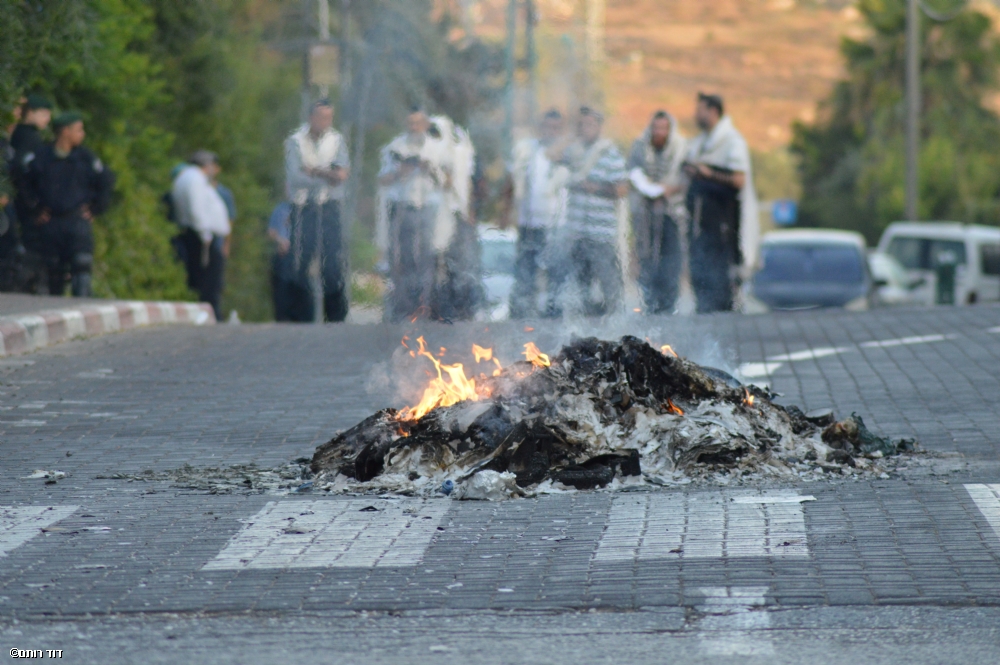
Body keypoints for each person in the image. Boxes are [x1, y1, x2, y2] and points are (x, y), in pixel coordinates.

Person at [22, 112, 115, 297]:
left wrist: (96, 209)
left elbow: (106, 180)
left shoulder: (85, 157)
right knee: (52, 272)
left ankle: (81, 308)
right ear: (65, 131)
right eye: (78, 130)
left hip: (76, 221)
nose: (82, 134)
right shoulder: (42, 156)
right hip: (51, 223)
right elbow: (24, 184)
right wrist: (35, 210)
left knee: (82, 267)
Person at [683, 93, 757, 313]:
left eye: (700, 110)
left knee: (721, 289)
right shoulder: (700, 142)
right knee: (701, 287)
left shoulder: (732, 142)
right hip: (700, 227)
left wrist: (708, 174)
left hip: (724, 229)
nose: (696, 115)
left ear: (713, 111)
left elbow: (738, 180)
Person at [376, 107, 449, 322]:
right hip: (403, 206)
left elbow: (448, 181)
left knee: (427, 258)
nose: (414, 128)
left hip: (428, 206)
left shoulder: (437, 148)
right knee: (403, 259)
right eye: (410, 123)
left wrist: (430, 169)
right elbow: (382, 179)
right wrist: (402, 170)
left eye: (418, 123)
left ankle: (425, 307)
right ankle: (404, 308)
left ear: (426, 125)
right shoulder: (395, 147)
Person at [285, 99, 350, 323]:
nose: (325, 122)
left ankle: (335, 318)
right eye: (321, 117)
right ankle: (300, 317)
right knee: (300, 261)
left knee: (332, 263)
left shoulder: (336, 140)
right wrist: (327, 174)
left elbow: (341, 176)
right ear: (311, 118)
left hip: (329, 206)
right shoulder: (295, 141)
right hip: (303, 207)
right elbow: (295, 176)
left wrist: (314, 171)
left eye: (329, 117)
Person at [559, 106, 628, 317]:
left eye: (590, 124)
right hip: (577, 234)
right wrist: (569, 137)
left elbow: (622, 189)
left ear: (599, 126)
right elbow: (550, 156)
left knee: (609, 286)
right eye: (581, 124)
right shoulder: (572, 153)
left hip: (601, 235)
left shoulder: (610, 154)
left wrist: (595, 188)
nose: (585, 128)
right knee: (579, 289)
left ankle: (615, 326)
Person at [507, 109, 571, 318]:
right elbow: (513, 180)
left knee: (556, 274)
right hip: (529, 222)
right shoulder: (527, 151)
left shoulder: (568, 152)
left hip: (557, 223)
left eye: (555, 128)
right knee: (525, 273)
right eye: (547, 127)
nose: (550, 131)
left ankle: (554, 315)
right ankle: (522, 315)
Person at [628, 111, 688, 314]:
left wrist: (668, 189)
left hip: (672, 216)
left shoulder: (681, 149)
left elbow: (686, 180)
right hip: (646, 217)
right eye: (656, 128)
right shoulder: (640, 147)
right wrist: (648, 188)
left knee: (671, 264)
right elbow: (633, 173)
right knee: (648, 262)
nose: (659, 132)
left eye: (664, 128)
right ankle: (649, 305)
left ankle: (669, 307)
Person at [428, 114, 482, 321]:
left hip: (456, 216)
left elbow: (463, 184)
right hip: (433, 219)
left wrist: (468, 210)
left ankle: (462, 310)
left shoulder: (459, 154)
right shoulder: (429, 153)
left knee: (460, 266)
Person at [171, 150, 230, 319]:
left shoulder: (187, 178)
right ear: (207, 165)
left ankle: (209, 314)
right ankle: (211, 315)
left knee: (203, 278)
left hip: (198, 235)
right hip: (202, 237)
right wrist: (205, 235)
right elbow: (196, 209)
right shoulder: (195, 179)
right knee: (209, 281)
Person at [10, 95, 53, 292]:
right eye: (43, 114)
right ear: (31, 113)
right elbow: (23, 172)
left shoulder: (17, 135)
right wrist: (34, 204)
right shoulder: (30, 138)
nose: (47, 119)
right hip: (24, 204)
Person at [267, 200, 312, 322]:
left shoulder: (309, 209)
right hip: (283, 255)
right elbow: (271, 231)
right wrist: (280, 241)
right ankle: (283, 318)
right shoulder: (280, 208)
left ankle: (301, 319)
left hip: (302, 256)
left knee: (302, 291)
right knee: (281, 289)